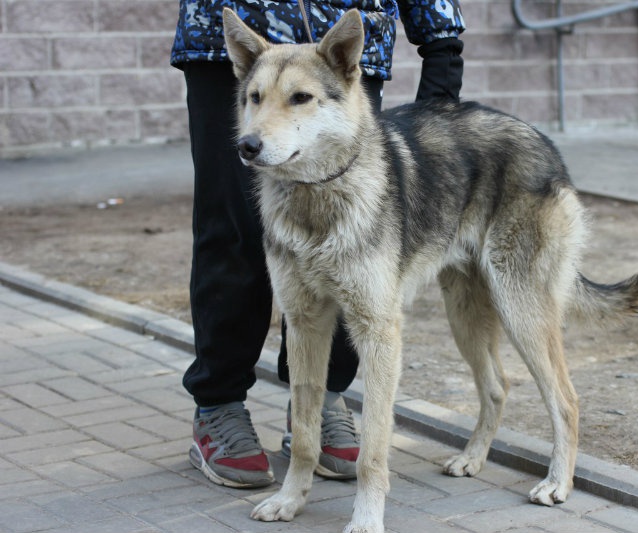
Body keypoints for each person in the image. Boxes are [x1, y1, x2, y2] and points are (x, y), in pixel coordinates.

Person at [170, 0, 465, 488]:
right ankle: (218, 404)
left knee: (354, 241)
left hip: (343, 36)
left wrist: (441, 47)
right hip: (228, 33)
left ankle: (324, 400)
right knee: (233, 233)